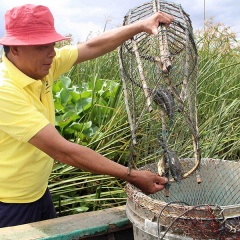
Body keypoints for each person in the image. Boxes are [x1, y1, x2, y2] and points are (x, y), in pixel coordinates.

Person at [0, 4, 173, 228]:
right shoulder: (5, 91)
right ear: (15, 49)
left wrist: (141, 26)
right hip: (11, 204)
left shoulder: (41, 66)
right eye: (43, 46)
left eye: (52, 44)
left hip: (40, 192)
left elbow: (92, 46)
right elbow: (63, 150)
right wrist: (131, 175)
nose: (52, 53)